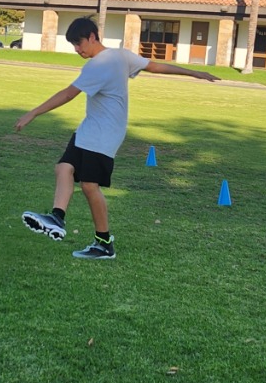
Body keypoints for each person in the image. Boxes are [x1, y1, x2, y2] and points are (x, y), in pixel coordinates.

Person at [14, 16, 220, 260]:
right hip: (89, 128)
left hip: (104, 133)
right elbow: (153, 66)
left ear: (92, 36)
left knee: (90, 186)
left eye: (79, 43)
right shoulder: (122, 55)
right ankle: (56, 217)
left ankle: (103, 244)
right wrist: (192, 73)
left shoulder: (98, 65)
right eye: (73, 46)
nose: (77, 50)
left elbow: (69, 94)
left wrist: (34, 113)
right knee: (63, 167)